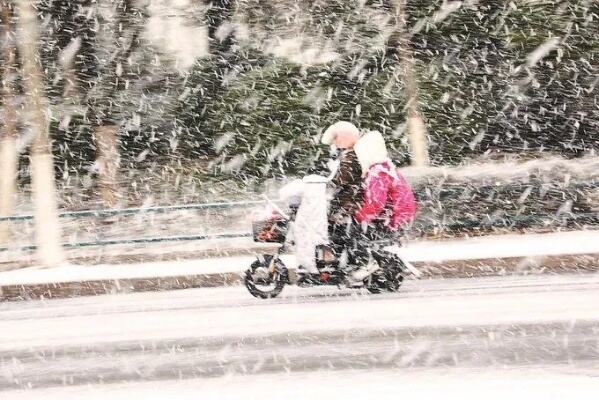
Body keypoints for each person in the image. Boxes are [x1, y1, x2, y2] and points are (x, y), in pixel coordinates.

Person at [320, 121, 364, 270]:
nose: (333, 144)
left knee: (335, 230)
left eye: (335, 140)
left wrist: (324, 183)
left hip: (349, 202)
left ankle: (339, 264)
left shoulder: (350, 157)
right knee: (334, 230)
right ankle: (337, 262)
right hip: (347, 199)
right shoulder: (349, 155)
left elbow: (341, 179)